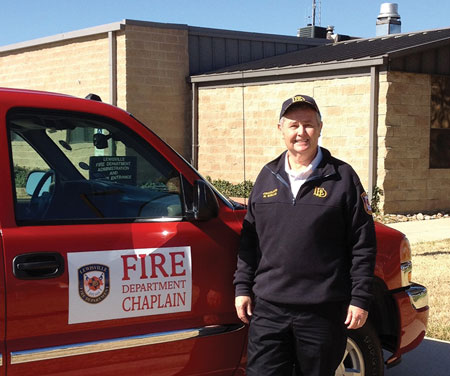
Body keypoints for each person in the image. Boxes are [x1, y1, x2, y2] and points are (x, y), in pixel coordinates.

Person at [234, 94, 377, 376]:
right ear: (281, 130)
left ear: (320, 128)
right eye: (293, 125)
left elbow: (363, 244)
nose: (301, 133)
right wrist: (242, 288)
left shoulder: (343, 178)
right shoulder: (266, 176)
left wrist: (360, 298)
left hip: (321, 312)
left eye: (308, 125)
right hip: (269, 310)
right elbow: (250, 241)